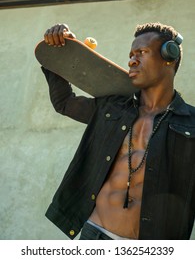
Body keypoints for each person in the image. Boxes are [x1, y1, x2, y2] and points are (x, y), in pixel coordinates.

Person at [41, 22, 195, 240]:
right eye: (131, 54)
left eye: (141, 52)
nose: (132, 59)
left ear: (169, 56)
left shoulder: (191, 125)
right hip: (95, 234)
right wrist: (60, 54)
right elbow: (65, 103)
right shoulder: (112, 107)